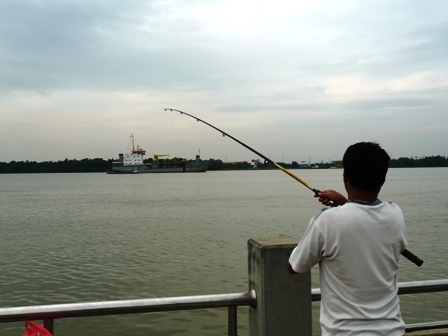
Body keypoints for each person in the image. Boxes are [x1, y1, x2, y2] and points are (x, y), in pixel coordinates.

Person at [287, 142, 407, 336]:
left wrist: (344, 206)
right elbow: (365, 215)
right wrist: (345, 202)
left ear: (345, 176)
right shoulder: (396, 214)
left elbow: (294, 267)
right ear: (383, 179)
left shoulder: (326, 220)